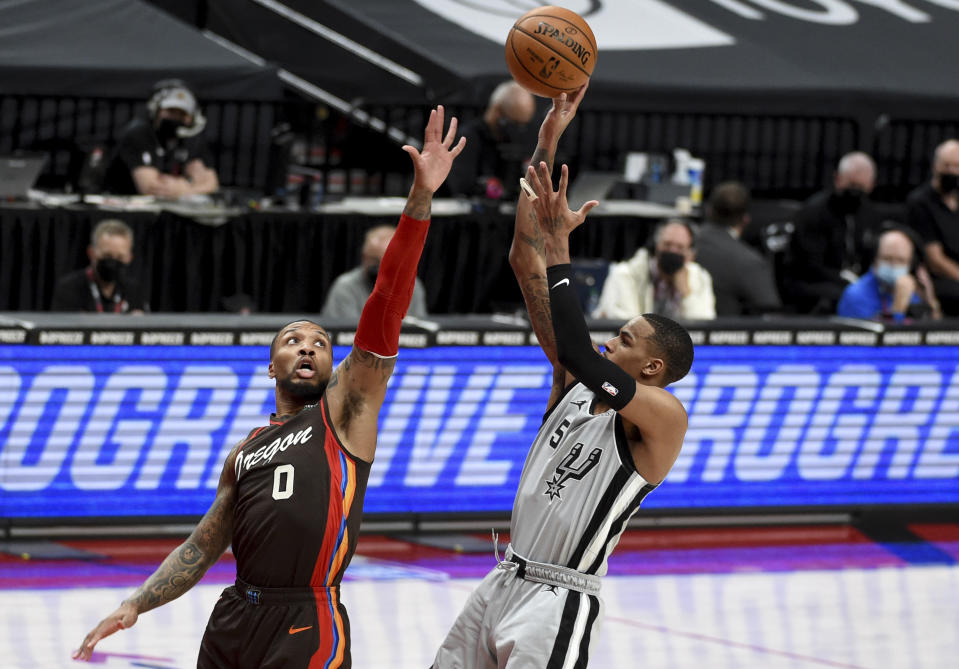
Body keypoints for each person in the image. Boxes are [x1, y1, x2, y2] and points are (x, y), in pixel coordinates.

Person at [73, 106, 466, 667]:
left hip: (307, 616)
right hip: (234, 615)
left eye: (320, 343)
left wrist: (420, 200)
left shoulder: (346, 411)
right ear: (270, 365)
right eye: (292, 339)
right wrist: (135, 603)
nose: (307, 346)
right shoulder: (247, 450)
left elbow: (388, 298)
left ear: (336, 368)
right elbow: (203, 545)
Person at [433, 85, 692, 668]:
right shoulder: (578, 384)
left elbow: (576, 345)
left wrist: (561, 247)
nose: (609, 340)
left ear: (652, 368)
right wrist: (549, 137)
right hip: (503, 578)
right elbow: (523, 259)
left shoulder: (663, 417)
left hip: (559, 597)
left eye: (623, 339)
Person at [783, 151, 885, 313]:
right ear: (837, 179)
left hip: (854, 280)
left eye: (861, 188)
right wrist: (847, 281)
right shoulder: (813, 212)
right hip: (810, 281)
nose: (855, 192)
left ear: (871, 185)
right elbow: (810, 265)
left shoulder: (870, 213)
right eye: (851, 185)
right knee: (848, 295)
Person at [103, 79, 219, 197]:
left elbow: (211, 184)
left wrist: (182, 189)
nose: (176, 118)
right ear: (156, 110)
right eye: (171, 111)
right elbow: (151, 188)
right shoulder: (139, 134)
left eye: (182, 114)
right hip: (124, 205)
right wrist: (188, 185)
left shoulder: (190, 138)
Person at [593, 220, 715, 320]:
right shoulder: (625, 274)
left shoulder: (700, 277)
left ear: (690, 254)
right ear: (656, 246)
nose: (672, 251)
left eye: (680, 247)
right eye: (667, 244)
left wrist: (686, 293)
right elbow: (626, 326)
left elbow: (703, 326)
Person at [695, 181, 782, 316]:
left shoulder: (681, 244)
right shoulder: (750, 262)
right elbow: (770, 315)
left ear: (709, 210)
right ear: (745, 219)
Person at [445, 81, 536, 199]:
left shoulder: (515, 141)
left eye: (522, 126)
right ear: (497, 111)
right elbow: (461, 186)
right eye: (514, 123)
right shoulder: (468, 138)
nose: (517, 131)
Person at [321, 224, 428, 319]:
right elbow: (345, 333)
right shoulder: (345, 287)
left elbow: (419, 330)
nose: (380, 268)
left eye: (388, 261)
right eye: (374, 260)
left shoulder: (412, 286)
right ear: (364, 257)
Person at [837, 228, 941, 322]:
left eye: (901, 260)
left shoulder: (914, 293)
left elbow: (937, 335)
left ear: (911, 265)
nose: (894, 266)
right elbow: (877, 340)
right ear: (875, 260)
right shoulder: (856, 295)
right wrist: (898, 308)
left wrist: (930, 300)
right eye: (887, 258)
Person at [906, 139, 959, 315]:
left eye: (956, 166)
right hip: (937, 278)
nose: (951, 171)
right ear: (935, 166)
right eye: (947, 165)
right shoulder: (920, 202)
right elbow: (935, 261)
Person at [50, 219, 148, 313]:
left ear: (129, 258)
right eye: (107, 256)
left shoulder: (134, 291)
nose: (113, 262)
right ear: (91, 253)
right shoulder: (69, 289)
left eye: (120, 257)